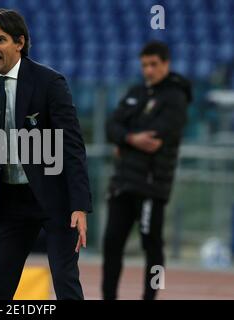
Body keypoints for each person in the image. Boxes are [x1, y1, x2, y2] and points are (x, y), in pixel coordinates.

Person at [0, 9, 92, 300]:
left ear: (20, 43)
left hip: (55, 200)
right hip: (9, 200)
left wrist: (79, 205)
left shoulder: (50, 83)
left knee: (66, 283)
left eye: (0, 39)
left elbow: (72, 147)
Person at [102, 41, 192, 300]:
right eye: (144, 65)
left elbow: (155, 137)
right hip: (123, 182)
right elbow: (111, 125)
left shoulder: (176, 97)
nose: (148, 71)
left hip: (151, 185)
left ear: (166, 64)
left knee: (152, 246)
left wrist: (123, 139)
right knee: (112, 244)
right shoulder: (136, 91)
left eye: (154, 65)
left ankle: (150, 297)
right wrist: (130, 139)